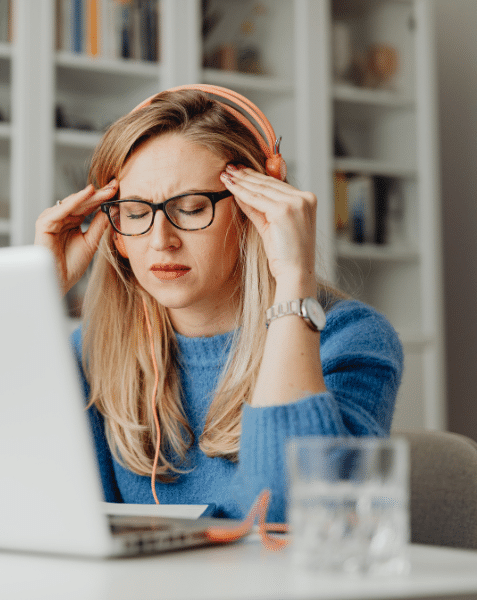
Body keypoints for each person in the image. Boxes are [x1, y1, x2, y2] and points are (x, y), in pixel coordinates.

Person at [34, 85, 403, 523]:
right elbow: (33, 502)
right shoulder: (93, 351)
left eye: (190, 209)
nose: (160, 241)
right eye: (134, 213)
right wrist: (37, 295)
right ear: (114, 231)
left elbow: (291, 517)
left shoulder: (350, 340)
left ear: (255, 210)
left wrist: (292, 283)